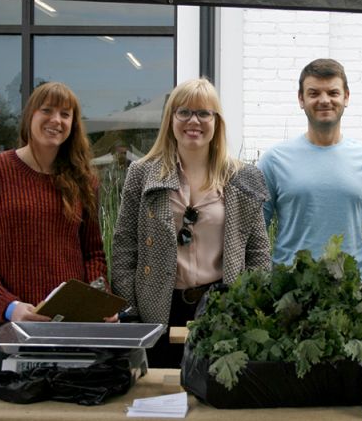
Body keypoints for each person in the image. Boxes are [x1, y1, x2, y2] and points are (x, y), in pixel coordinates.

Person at [112, 78, 270, 368]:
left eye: (203, 113)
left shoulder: (243, 176)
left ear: (216, 122)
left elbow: (258, 252)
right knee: (160, 398)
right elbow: (124, 248)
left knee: (215, 398)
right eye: (183, 112)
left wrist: (250, 307)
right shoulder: (142, 173)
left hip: (223, 307)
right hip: (157, 309)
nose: (193, 121)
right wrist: (130, 311)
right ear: (171, 119)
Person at [0, 81, 107, 326]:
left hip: (71, 323)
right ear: (30, 116)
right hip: (11, 326)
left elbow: (93, 255)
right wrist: (7, 306)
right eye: (47, 110)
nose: (56, 120)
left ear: (73, 125)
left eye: (65, 114)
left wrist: (100, 299)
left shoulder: (84, 181)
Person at [257, 58, 362, 281]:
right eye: (314, 93)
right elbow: (254, 232)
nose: (324, 100)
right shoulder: (274, 161)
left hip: (350, 297)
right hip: (288, 298)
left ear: (346, 97)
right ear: (301, 99)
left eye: (333, 93)